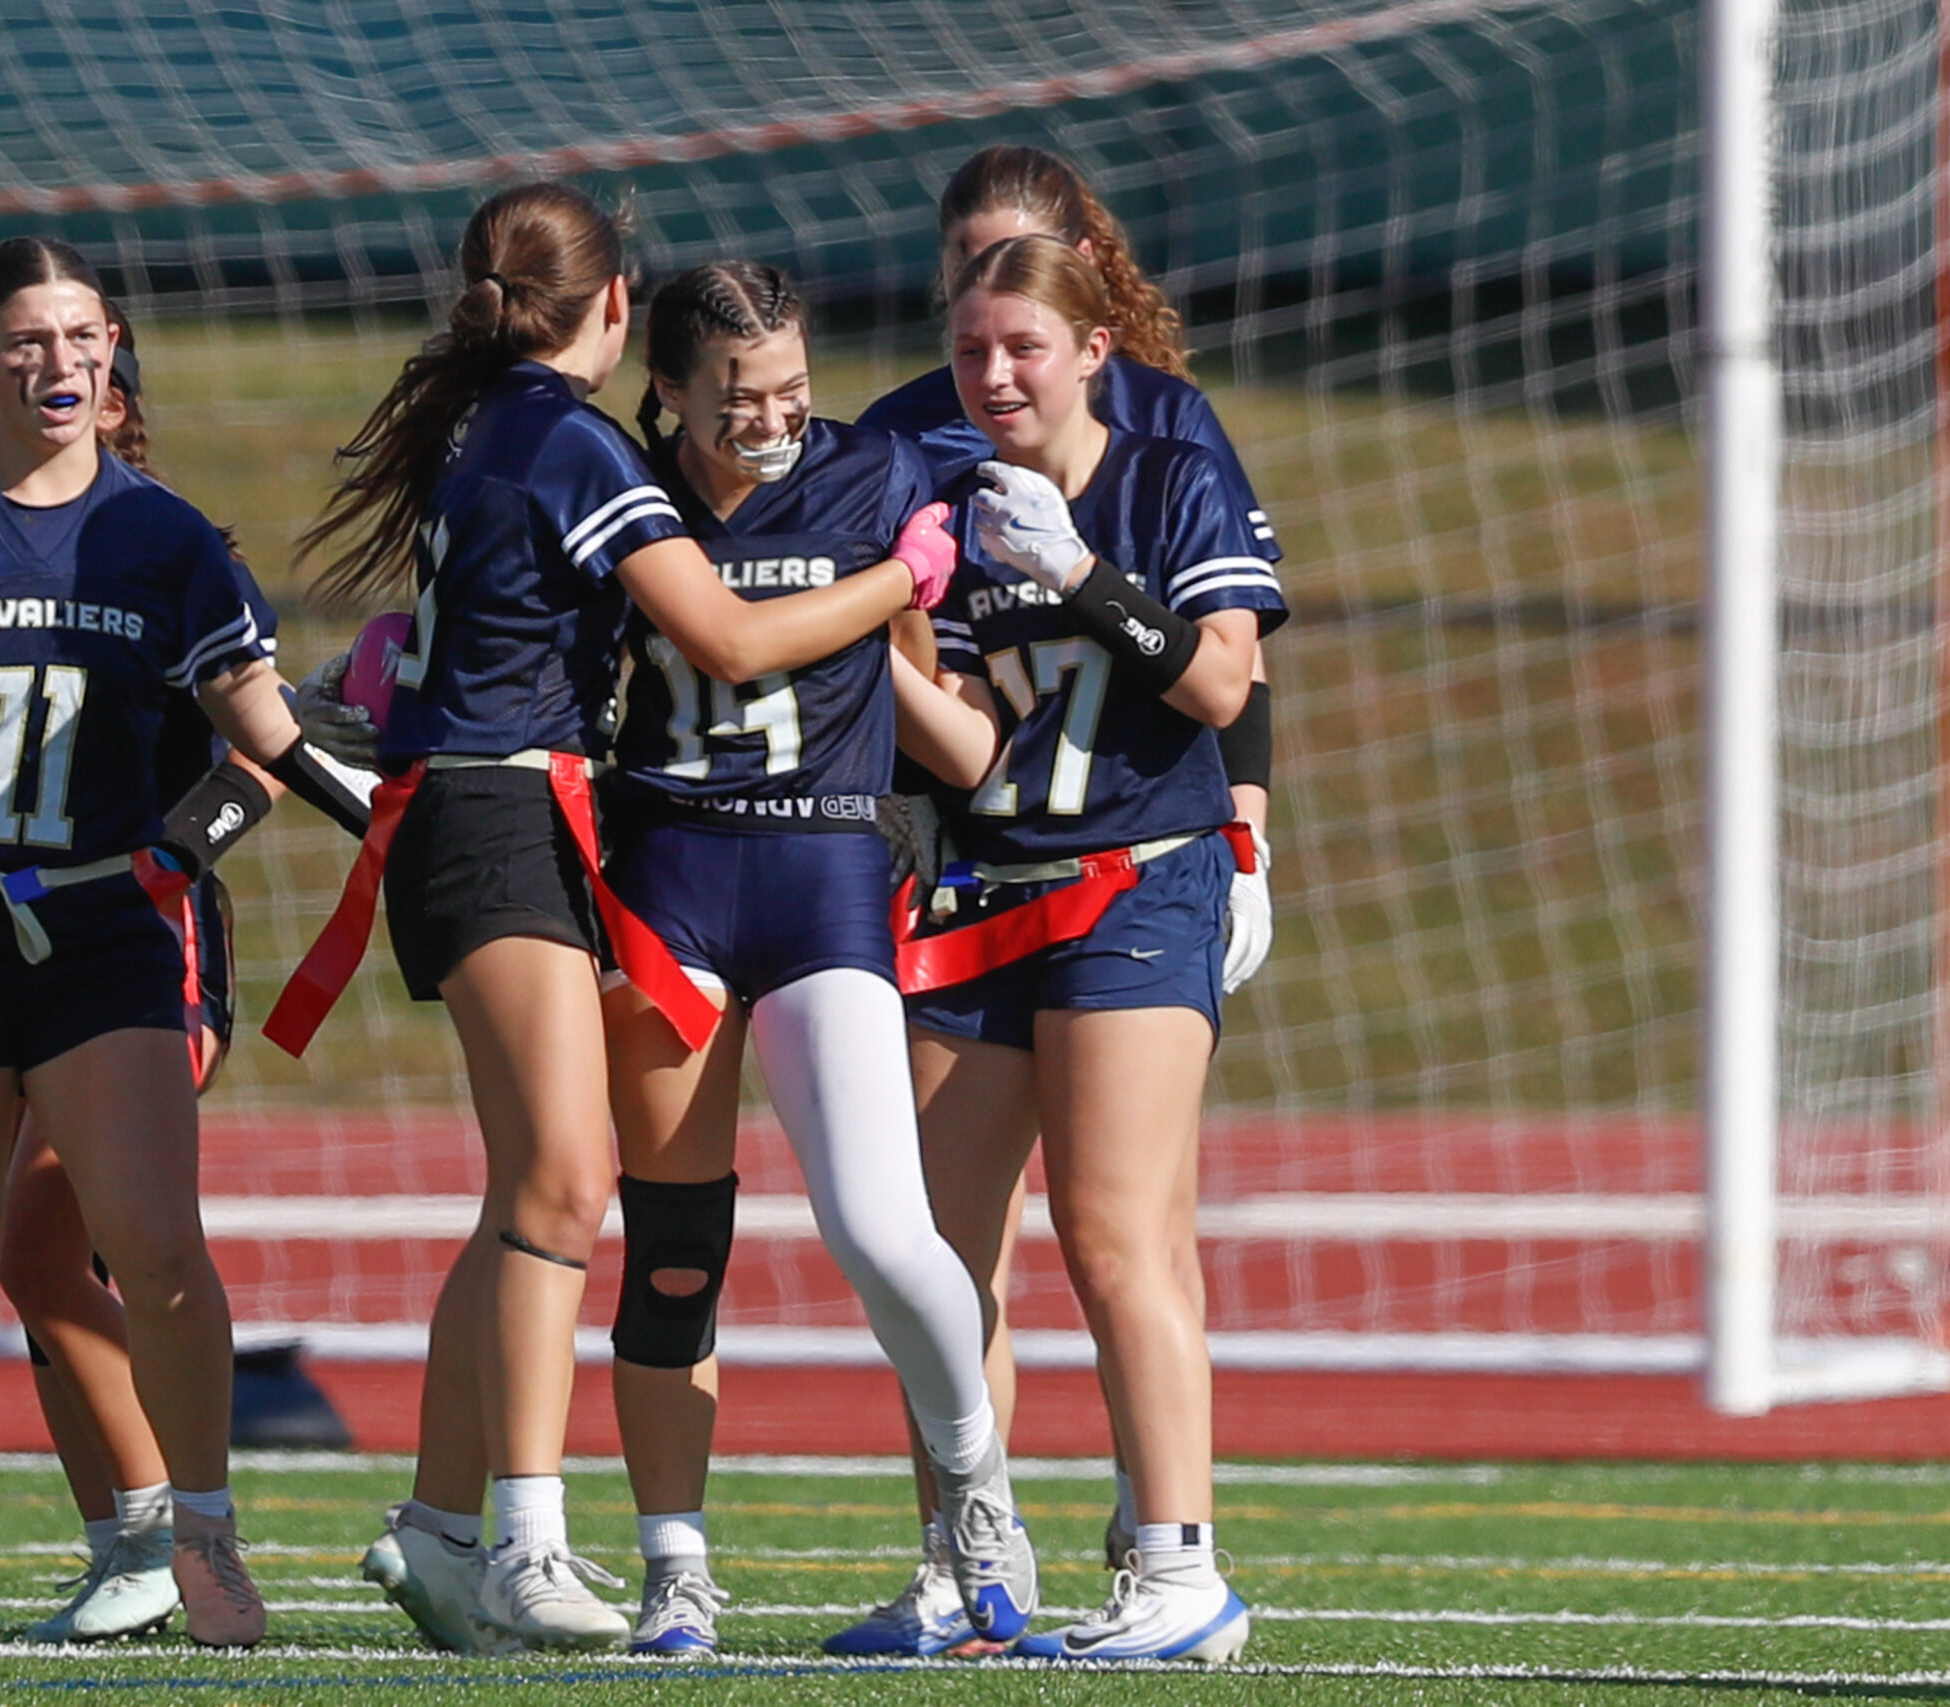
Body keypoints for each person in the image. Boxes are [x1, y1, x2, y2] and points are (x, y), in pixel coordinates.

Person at [263, 183, 944, 1654]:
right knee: (568, 1183)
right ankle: (522, 1540)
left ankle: (443, 1532)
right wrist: (905, 575)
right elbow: (732, 637)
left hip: (499, 807)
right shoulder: (573, 441)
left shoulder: (495, 423)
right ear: (618, 311)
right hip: (502, 811)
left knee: (528, 1192)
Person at [0, 236, 357, 1650]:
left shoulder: (163, 536)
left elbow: (261, 727)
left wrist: (397, 806)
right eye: (28, 341)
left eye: (83, 337)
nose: (61, 363)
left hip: (105, 932)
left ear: (113, 352)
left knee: (157, 1249)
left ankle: (200, 1545)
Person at [839, 143, 1284, 1653]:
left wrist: (1091, 575)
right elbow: (970, 735)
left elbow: (1227, 679)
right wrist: (883, 633)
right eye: (971, 344)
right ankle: (970, 1566)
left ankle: (1177, 1565)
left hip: (1138, 877)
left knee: (1113, 1232)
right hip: (977, 882)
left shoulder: (1168, 463)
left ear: (1094, 342)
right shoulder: (926, 467)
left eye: (1021, 344)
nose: (993, 371)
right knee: (930, 1246)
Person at [580, 261, 1026, 1655]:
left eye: (790, 389)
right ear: (667, 391)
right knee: (670, 1256)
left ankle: (978, 1489)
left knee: (887, 1230)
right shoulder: (618, 490)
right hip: (672, 879)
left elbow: (930, 690)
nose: (772, 420)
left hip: (828, 867)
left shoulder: (878, 468)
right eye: (737, 396)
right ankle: (674, 1569)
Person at [0, 321, 370, 1645]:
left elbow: (265, 753)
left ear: (121, 394)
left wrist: (171, 851)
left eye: (93, 373)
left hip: (151, 946)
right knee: (40, 1251)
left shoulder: (177, 547)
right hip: (17, 939)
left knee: (53, 1231)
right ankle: (127, 1544)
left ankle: (171, 1537)